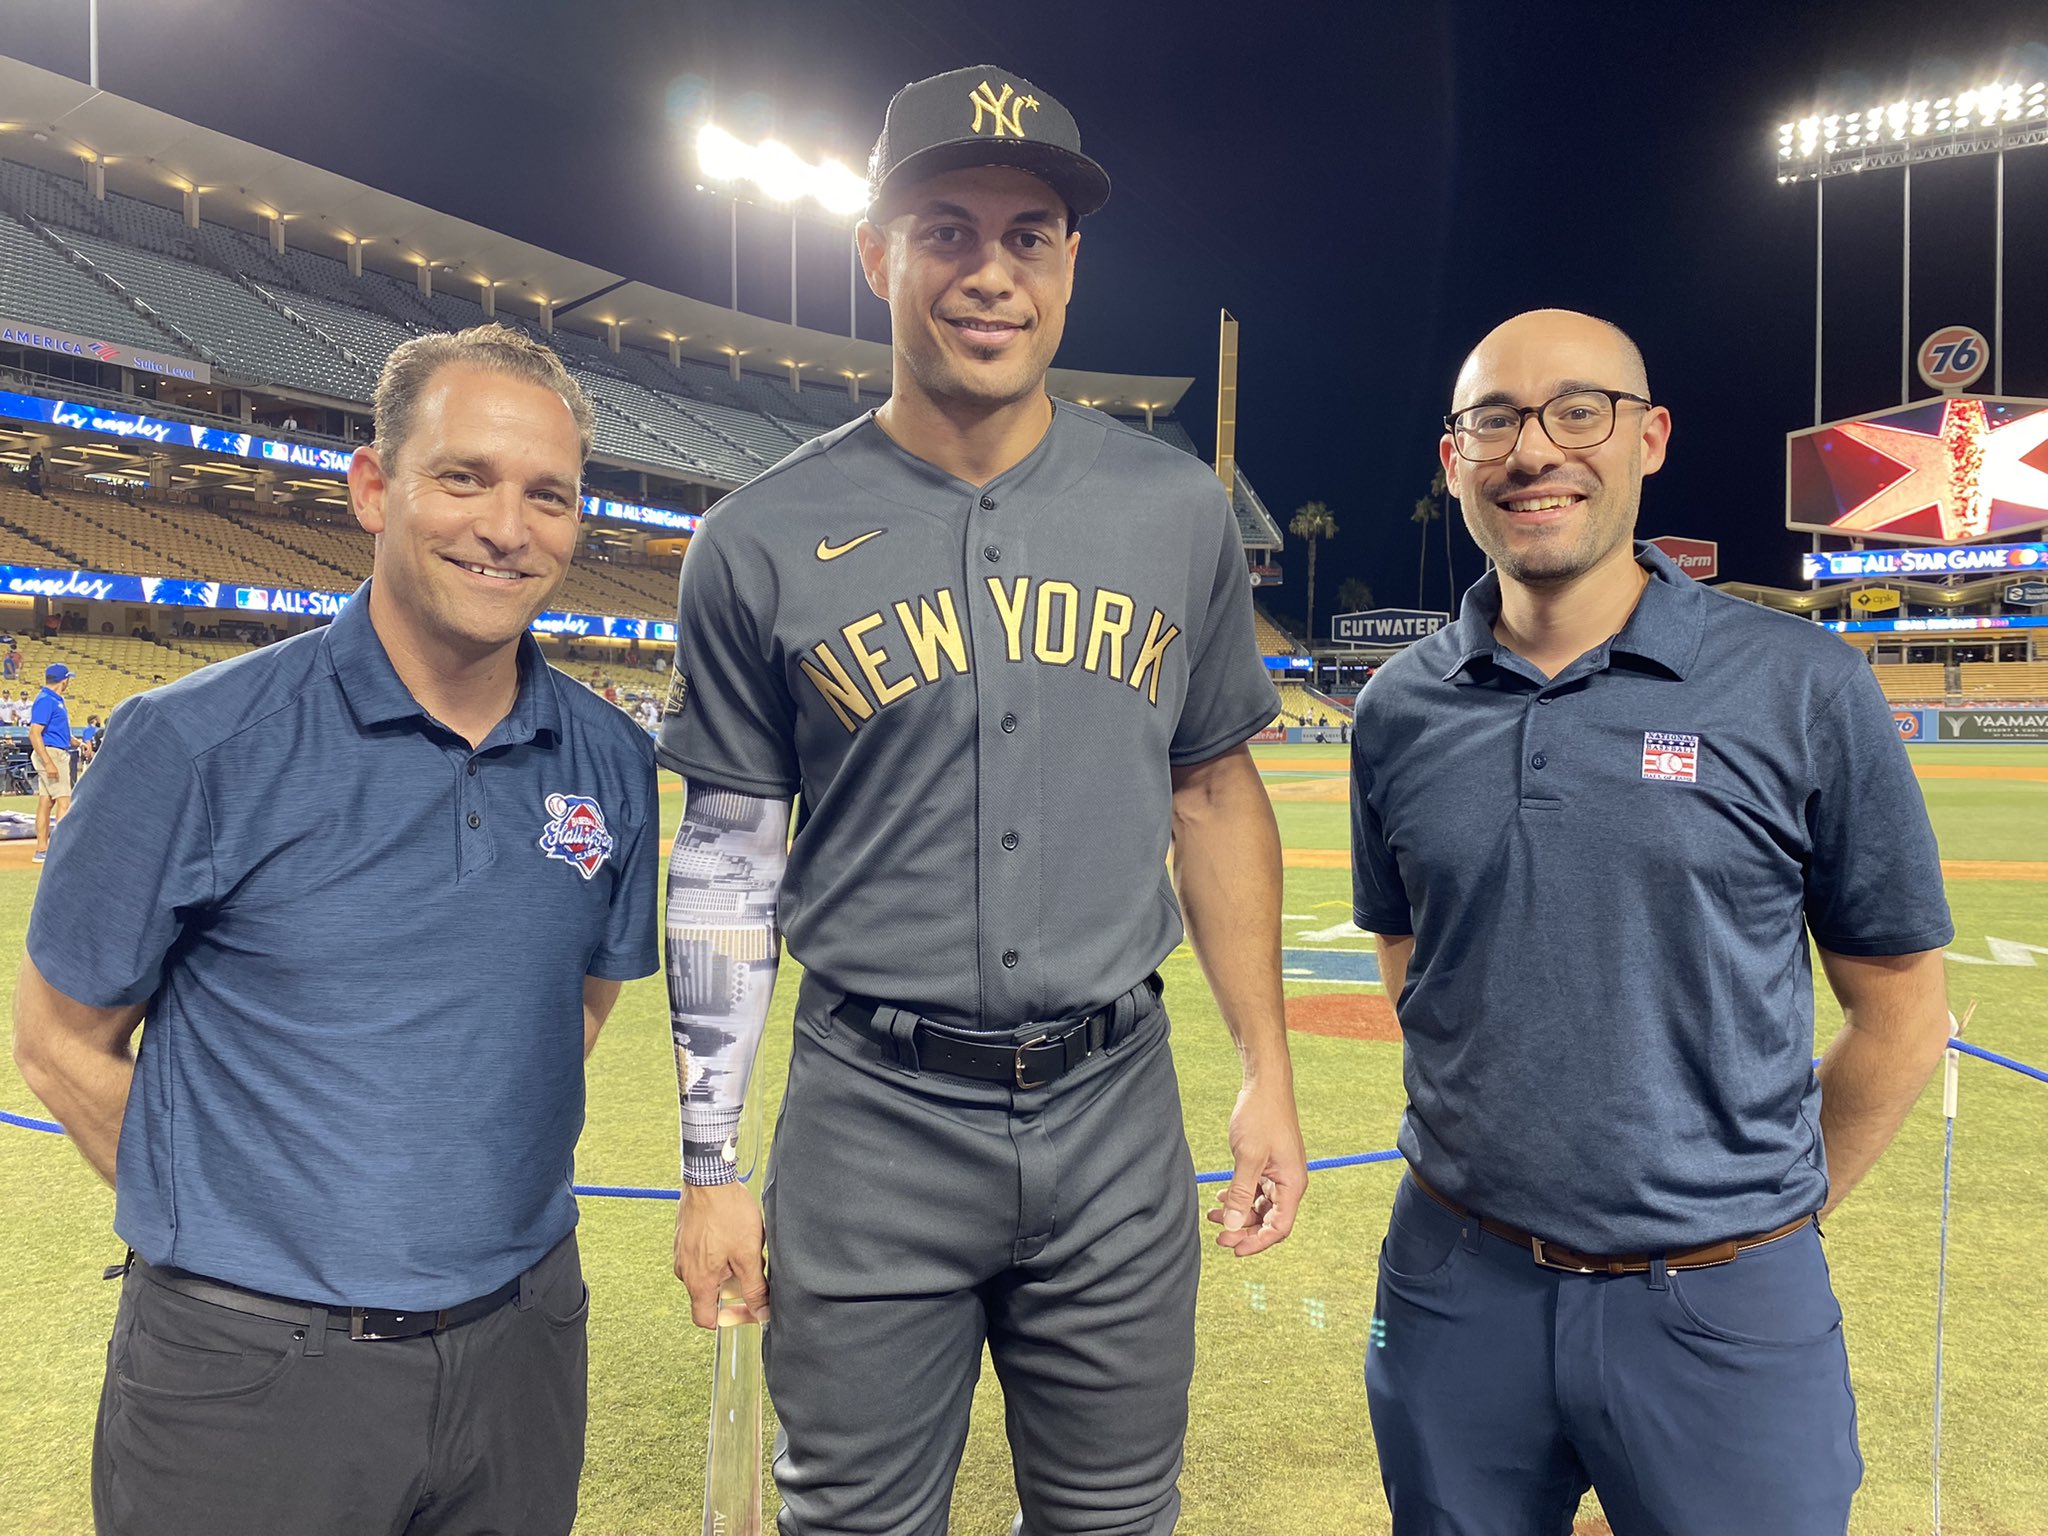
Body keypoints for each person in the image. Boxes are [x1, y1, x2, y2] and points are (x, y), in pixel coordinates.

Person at [661, 65, 1307, 1536]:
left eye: (1029, 235)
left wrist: (1267, 1071)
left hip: (1115, 1109)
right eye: (946, 229)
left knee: (1117, 1516)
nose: (990, 272)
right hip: (872, 1114)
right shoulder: (757, 537)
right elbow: (726, 863)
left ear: (1071, 266)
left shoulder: (1174, 510)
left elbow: (1212, 792)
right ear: (878, 254)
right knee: (855, 1520)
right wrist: (710, 1168)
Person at [12, 324, 660, 1536]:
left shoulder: (610, 758)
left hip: (522, 1349)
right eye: (463, 477)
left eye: (548, 496)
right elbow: (57, 1039)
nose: (507, 528)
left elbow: (563, 1009)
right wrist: (241, 1244)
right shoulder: (191, 740)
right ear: (375, 488)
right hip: (249, 1375)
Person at [1350, 310, 1953, 1534]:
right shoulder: (1398, 707)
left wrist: (1755, 1216)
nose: (1534, 452)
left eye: (1578, 412)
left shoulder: (1799, 684)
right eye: (1494, 421)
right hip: (1454, 1284)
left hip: (1726, 1303)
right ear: (1452, 454)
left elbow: (1900, 1013)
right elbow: (1416, 968)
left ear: (1649, 438)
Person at [28, 662, 73, 863]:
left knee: (46, 802)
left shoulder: (55, 699)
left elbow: (57, 732)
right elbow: (34, 733)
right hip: (52, 754)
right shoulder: (46, 700)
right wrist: (48, 762)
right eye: (68, 679)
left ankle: (42, 849)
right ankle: (59, 850)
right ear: (64, 680)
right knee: (65, 801)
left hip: (54, 750)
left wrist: (78, 742)